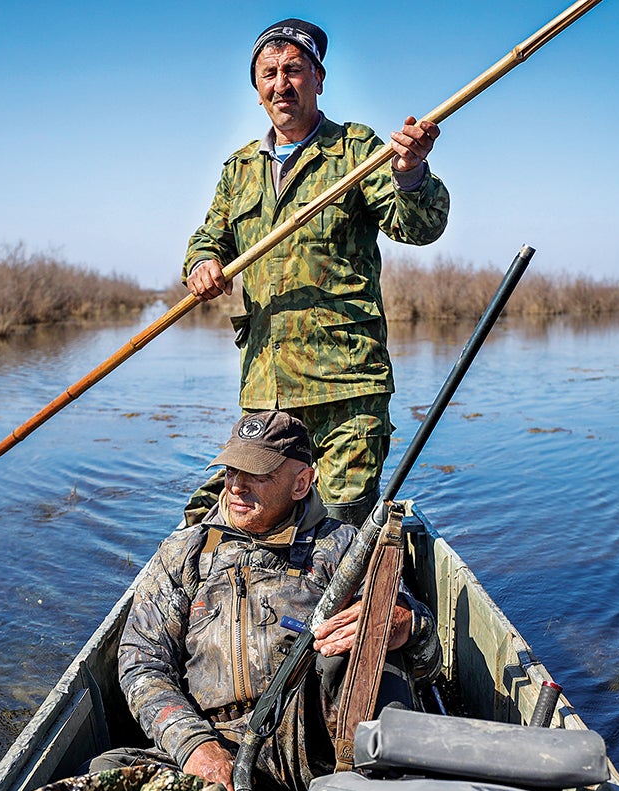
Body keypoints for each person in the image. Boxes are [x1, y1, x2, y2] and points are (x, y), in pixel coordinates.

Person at [183, 18, 450, 527]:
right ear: (256, 88)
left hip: (345, 383)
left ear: (319, 79)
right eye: (269, 73)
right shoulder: (238, 170)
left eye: (294, 70)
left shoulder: (357, 150)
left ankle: (341, 604)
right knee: (251, 519)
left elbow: (418, 227)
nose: (281, 83)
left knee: (341, 522)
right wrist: (201, 264)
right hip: (266, 385)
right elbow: (207, 238)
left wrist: (411, 172)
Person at [101, 410, 441, 791]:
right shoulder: (185, 554)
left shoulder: (345, 547)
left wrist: (404, 621)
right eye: (231, 471)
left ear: (301, 483)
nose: (236, 487)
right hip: (217, 743)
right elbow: (140, 663)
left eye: (257, 475)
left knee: (371, 645)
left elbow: (425, 664)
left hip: (323, 747)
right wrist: (195, 746)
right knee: (108, 775)